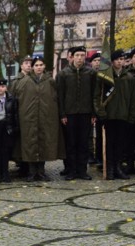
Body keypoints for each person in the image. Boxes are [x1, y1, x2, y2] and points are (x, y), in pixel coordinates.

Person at [12, 56, 64, 181]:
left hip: (46, 118)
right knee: (29, 144)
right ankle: (31, 172)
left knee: (44, 143)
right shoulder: (24, 82)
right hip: (28, 119)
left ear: (44, 66)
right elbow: (16, 99)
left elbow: (57, 99)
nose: (39, 67)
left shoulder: (50, 82)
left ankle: (41, 171)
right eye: (36, 65)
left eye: (41, 65)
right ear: (32, 67)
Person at [94, 50, 135, 180]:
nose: (120, 61)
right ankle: (110, 168)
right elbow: (97, 96)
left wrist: (131, 116)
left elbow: (133, 99)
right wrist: (101, 112)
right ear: (112, 61)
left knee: (120, 144)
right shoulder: (105, 77)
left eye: (122, 59)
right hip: (109, 116)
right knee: (109, 144)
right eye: (117, 59)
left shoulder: (129, 78)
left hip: (123, 116)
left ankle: (118, 168)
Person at [57, 46, 96, 180]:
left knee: (83, 143)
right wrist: (62, 114)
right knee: (71, 143)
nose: (80, 58)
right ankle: (72, 170)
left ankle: (82, 170)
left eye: (82, 55)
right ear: (72, 57)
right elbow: (60, 96)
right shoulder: (63, 74)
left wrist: (93, 114)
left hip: (85, 113)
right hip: (70, 114)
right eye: (77, 55)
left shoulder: (90, 73)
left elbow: (94, 94)